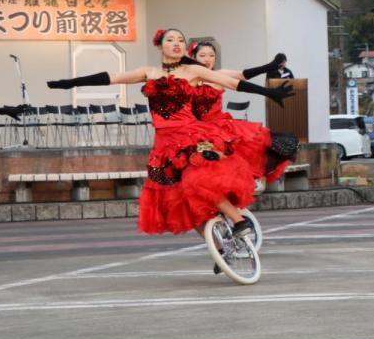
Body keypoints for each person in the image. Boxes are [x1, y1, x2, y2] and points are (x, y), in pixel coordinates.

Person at [47, 28, 292, 239]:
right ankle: (220, 246)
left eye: (180, 41)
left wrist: (270, 93)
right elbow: (111, 77)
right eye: (170, 40)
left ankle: (239, 220)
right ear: (160, 45)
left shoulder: (193, 71)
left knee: (199, 180)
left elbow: (233, 82)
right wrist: (70, 82)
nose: (176, 44)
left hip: (191, 135)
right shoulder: (149, 72)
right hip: (163, 142)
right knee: (178, 199)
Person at [188, 40, 297, 184]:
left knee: (219, 169)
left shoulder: (220, 75)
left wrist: (270, 67)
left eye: (211, 55)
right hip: (192, 129)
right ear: (194, 57)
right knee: (197, 173)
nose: (207, 59)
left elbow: (243, 75)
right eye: (202, 55)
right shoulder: (187, 78)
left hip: (218, 128)